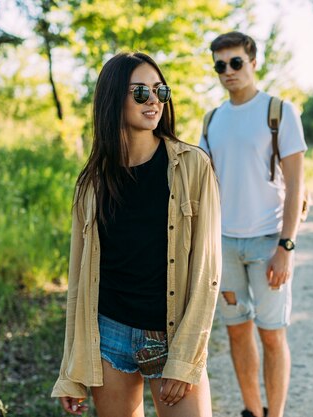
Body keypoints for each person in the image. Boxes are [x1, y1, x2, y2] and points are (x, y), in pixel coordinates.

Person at [52, 52, 221, 417]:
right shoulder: (92, 182)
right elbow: (79, 281)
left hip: (172, 336)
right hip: (108, 336)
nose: (155, 101)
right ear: (114, 98)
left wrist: (185, 358)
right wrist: (71, 370)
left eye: (161, 91)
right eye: (141, 92)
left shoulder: (192, 166)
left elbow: (208, 271)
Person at [199, 32, 307, 417]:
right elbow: (204, 184)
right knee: (237, 332)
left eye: (235, 62)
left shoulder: (278, 112)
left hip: (267, 244)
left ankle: (273, 414)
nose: (227, 71)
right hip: (224, 246)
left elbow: (297, 185)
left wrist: (286, 247)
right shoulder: (212, 120)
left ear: (253, 62)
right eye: (220, 65)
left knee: (272, 335)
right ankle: (252, 411)